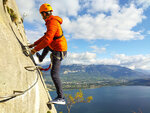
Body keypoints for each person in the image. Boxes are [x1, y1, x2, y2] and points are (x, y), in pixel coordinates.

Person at [29, 3, 67, 105]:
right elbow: (45, 37)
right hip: (57, 47)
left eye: (42, 14)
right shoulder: (51, 21)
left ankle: (61, 98)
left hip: (59, 50)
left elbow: (47, 39)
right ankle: (41, 58)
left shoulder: (52, 22)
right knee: (46, 45)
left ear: (45, 13)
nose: (41, 17)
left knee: (54, 74)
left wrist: (34, 50)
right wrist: (34, 44)